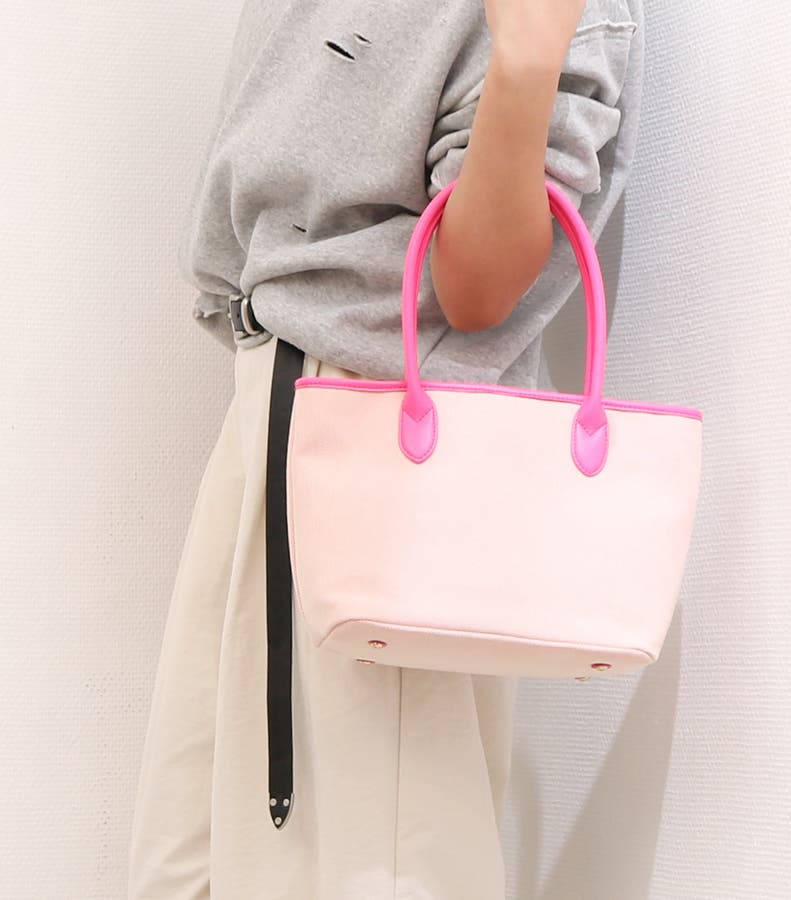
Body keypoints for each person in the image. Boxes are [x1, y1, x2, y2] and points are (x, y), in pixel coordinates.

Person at [127, 0, 643, 897]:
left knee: (371, 865)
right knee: (196, 865)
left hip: (380, 442)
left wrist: (526, 64)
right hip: (273, 398)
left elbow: (478, 290)